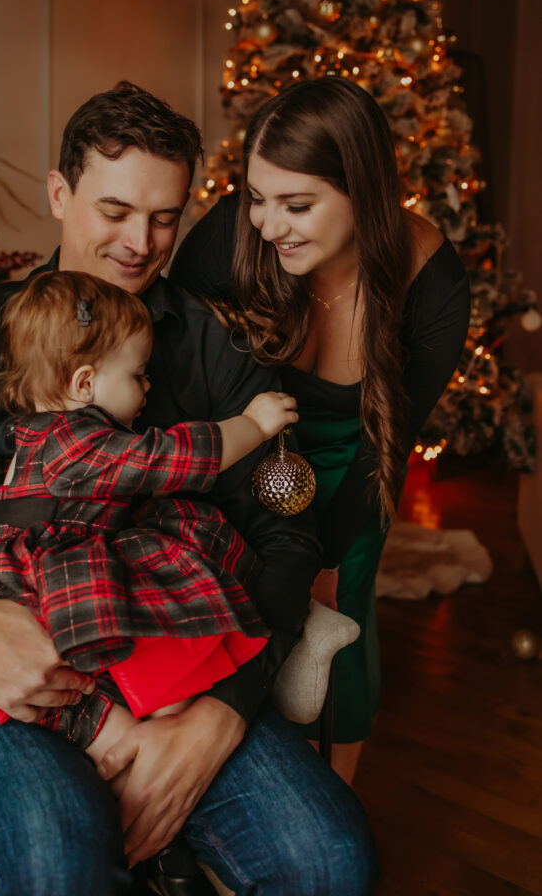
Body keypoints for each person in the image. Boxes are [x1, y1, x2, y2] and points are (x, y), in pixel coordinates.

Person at [0, 81, 377, 896]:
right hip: (4, 677)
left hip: (174, 667)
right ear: (60, 194)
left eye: (164, 217)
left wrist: (225, 712)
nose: (140, 242)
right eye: (114, 211)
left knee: (328, 859)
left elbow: (284, 531)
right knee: (59, 862)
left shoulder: (210, 348)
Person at [170, 75, 471, 787]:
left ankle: (331, 796)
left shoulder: (431, 282)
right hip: (241, 457)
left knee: (340, 614)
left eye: (296, 205)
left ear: (362, 192)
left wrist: (330, 557)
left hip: (353, 467)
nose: (269, 226)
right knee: (242, 620)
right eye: (257, 198)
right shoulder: (232, 236)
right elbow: (175, 363)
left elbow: (388, 442)